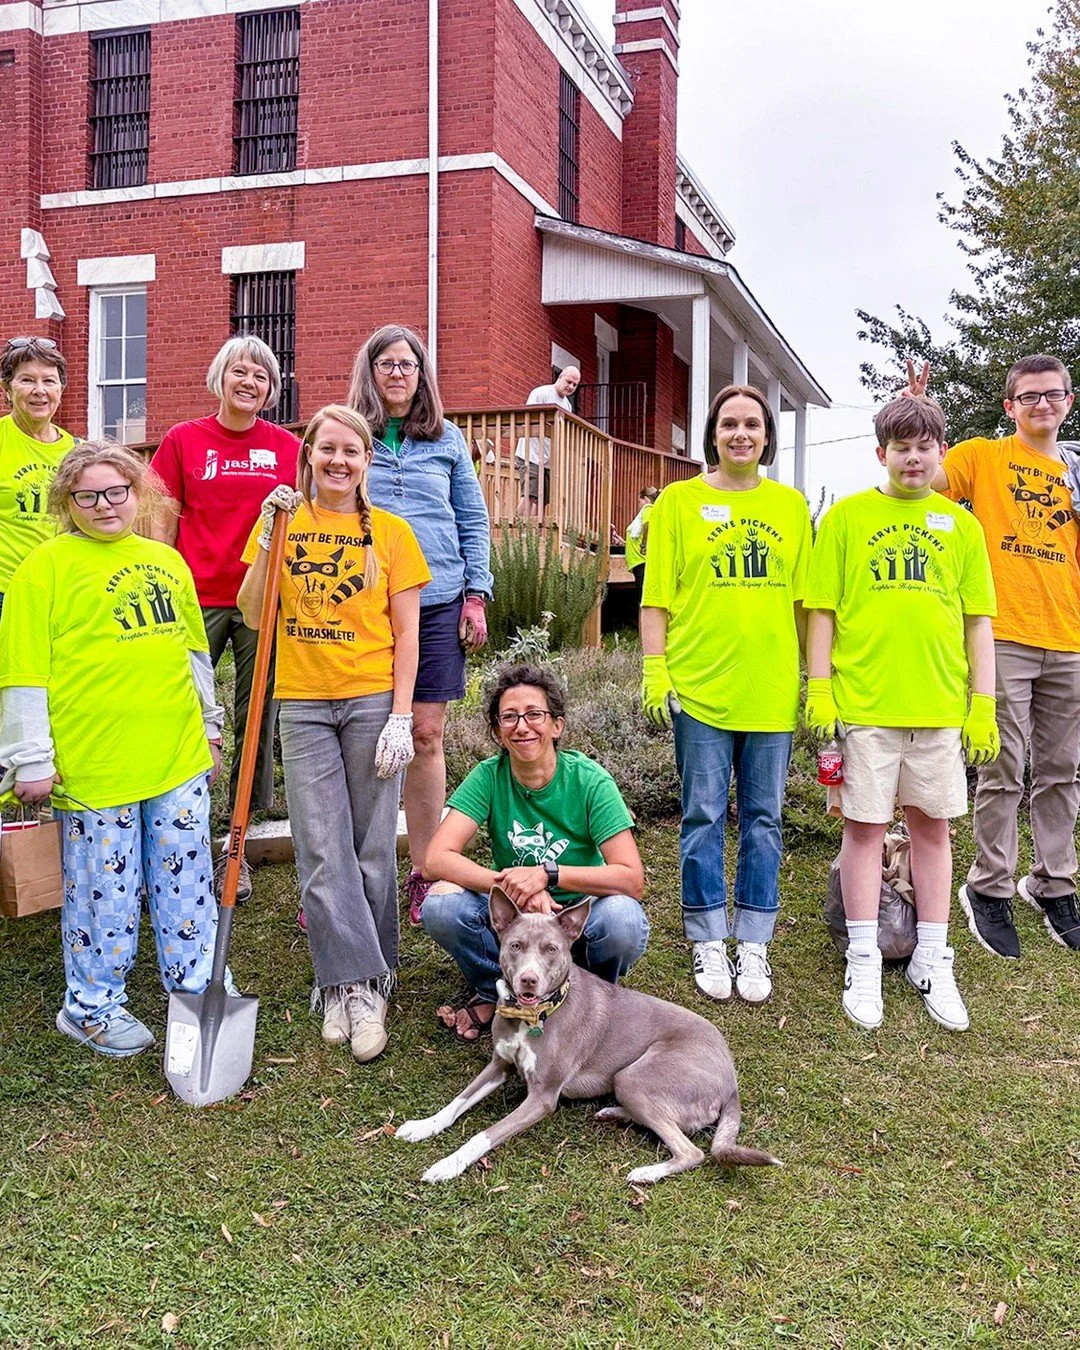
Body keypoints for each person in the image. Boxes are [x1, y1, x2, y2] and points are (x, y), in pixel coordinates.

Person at [0, 441, 230, 1057]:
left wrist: (208, 726)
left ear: (138, 493)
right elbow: (22, 669)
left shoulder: (165, 562)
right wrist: (29, 757)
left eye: (116, 491)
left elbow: (192, 654)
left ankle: (197, 982)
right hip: (95, 765)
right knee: (106, 889)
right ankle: (93, 1004)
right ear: (65, 502)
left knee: (187, 880)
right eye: (87, 495)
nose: (104, 504)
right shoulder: (43, 568)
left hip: (174, 753)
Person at [238, 405, 430, 1063]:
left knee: (371, 845)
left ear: (367, 461)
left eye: (352, 450)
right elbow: (251, 610)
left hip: (372, 700)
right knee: (321, 848)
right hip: (303, 702)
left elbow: (409, 634)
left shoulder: (395, 535)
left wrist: (402, 715)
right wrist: (267, 536)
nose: (339, 461)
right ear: (309, 454)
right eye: (327, 449)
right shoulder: (285, 520)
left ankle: (370, 985)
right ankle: (344, 979)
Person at [804, 395, 999, 1032]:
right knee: (862, 830)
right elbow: (823, 610)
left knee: (933, 832)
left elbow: (977, 623)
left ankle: (933, 957)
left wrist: (983, 703)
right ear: (880, 452)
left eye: (925, 446)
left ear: (941, 452)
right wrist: (821, 687)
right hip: (866, 707)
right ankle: (864, 959)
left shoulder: (960, 526)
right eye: (900, 446)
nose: (913, 458)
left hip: (940, 709)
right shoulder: (847, 518)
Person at [640, 384, 812, 1006]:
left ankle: (755, 939)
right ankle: (709, 934)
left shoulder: (791, 507)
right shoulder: (679, 503)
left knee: (765, 820)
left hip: (769, 691)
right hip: (700, 688)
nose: (741, 434)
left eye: (753, 425)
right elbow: (655, 597)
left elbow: (803, 604)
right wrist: (655, 671)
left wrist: (818, 680)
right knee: (703, 816)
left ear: (767, 437)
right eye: (729, 424)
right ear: (712, 433)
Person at [910, 356, 1080, 958]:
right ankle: (989, 886)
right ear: (1009, 406)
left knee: (1062, 771)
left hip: (1070, 637)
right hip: (1001, 634)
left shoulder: (1077, 469)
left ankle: (1054, 883)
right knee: (1002, 767)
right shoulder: (981, 456)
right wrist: (918, 413)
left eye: (1053, 395)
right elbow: (918, 482)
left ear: (1068, 399)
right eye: (1028, 396)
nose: (1042, 405)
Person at [347, 325, 493, 928]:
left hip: (436, 601)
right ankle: (361, 873)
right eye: (387, 363)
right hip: (361, 604)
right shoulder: (350, 434)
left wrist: (476, 595)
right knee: (366, 734)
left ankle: (427, 868)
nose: (398, 373)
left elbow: (473, 518)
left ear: (421, 373)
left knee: (425, 734)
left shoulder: (448, 440)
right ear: (371, 370)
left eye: (408, 364)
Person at [421, 662, 648, 1041]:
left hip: (575, 916)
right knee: (441, 906)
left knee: (622, 920)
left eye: (534, 715)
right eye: (509, 717)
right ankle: (496, 989)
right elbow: (437, 858)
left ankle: (589, 996)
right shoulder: (488, 777)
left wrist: (549, 874)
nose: (522, 726)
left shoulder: (589, 781)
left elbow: (630, 877)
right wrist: (516, 886)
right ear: (497, 731)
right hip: (517, 923)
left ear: (557, 725)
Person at [151, 336, 300, 899]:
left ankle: (236, 839)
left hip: (261, 597)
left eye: (262, 376)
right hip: (196, 594)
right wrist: (163, 578)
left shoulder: (286, 446)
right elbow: (163, 514)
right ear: (220, 376)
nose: (250, 383)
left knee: (255, 712)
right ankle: (177, 821)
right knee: (183, 707)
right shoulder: (184, 440)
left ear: (271, 390)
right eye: (241, 372)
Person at [0, 336, 76, 616]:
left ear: (61, 389)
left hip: (60, 591)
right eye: (27, 380)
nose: (39, 391)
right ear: (6, 388)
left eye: (49, 381)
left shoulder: (77, 452)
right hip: (5, 592)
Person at [514, 365, 581, 518]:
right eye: (568, 382)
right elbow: (527, 418)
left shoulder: (567, 405)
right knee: (529, 494)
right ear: (560, 377)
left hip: (549, 459)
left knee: (542, 500)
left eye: (575, 385)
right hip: (530, 454)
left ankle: (535, 536)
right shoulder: (541, 393)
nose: (570, 387)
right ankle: (518, 532)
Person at [624, 486, 659, 606]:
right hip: (638, 562)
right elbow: (635, 537)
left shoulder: (648, 509)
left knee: (643, 600)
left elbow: (647, 524)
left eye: (639, 500)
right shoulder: (644, 513)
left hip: (642, 562)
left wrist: (644, 544)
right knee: (641, 599)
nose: (638, 504)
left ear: (645, 499)